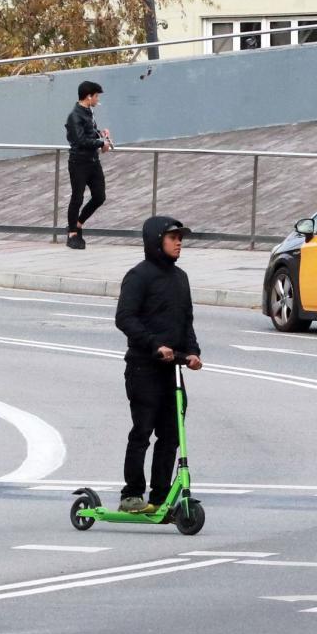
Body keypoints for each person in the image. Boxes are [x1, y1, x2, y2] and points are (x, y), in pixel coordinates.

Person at [114, 216, 203, 514]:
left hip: (173, 370)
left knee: (172, 433)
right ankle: (132, 494)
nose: (179, 242)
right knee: (143, 431)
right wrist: (155, 345)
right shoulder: (138, 276)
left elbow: (185, 320)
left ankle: (161, 495)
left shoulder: (181, 278)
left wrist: (191, 351)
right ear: (156, 241)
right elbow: (124, 318)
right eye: (173, 237)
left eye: (180, 238)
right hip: (143, 367)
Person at [64, 81, 112, 250]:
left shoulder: (88, 112)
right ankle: (72, 233)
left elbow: (90, 133)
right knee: (77, 197)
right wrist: (101, 142)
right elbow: (80, 140)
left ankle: (78, 223)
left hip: (93, 161)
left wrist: (101, 134)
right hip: (79, 162)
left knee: (100, 196)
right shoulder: (75, 116)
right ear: (88, 96)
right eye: (96, 96)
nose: (97, 99)